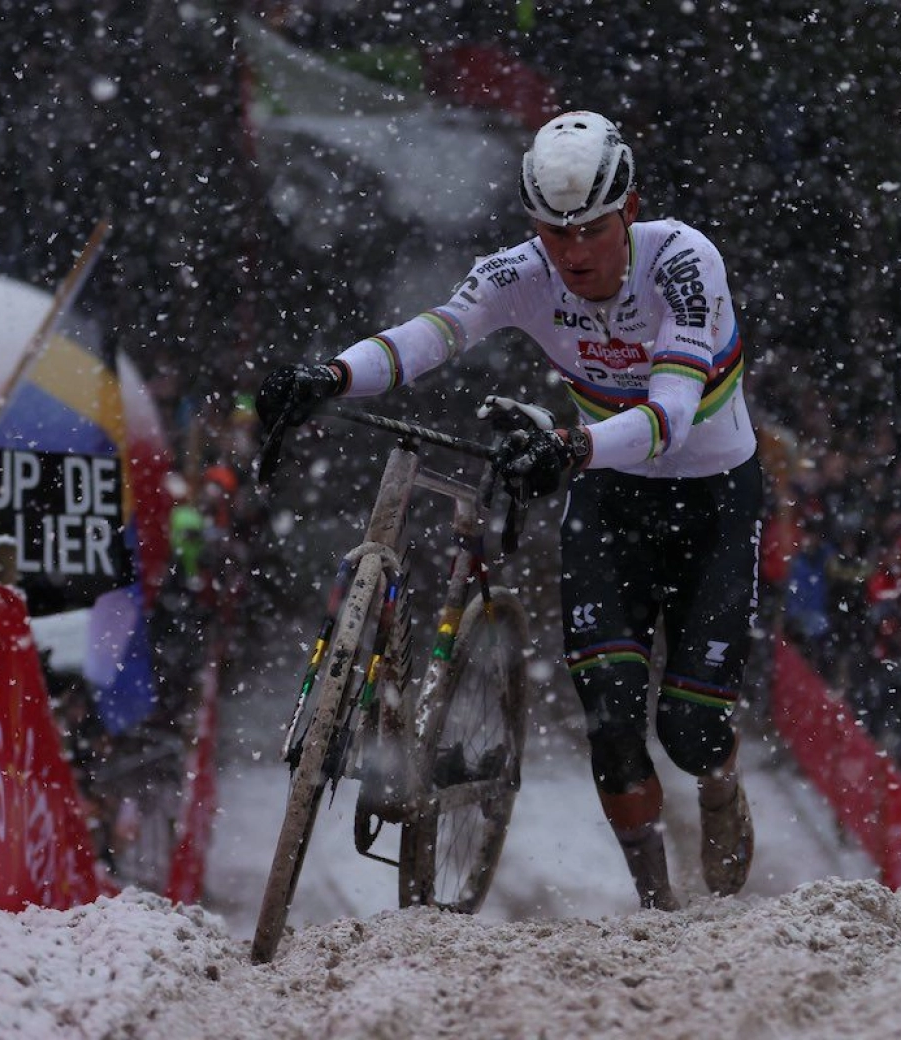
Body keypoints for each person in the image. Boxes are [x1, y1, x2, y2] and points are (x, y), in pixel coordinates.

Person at [256, 111, 762, 910]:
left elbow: (669, 418)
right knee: (611, 720)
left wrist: (569, 445)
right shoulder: (519, 272)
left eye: (591, 230)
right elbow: (434, 333)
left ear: (628, 211)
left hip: (713, 498)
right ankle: (662, 911)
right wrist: (331, 376)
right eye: (553, 233)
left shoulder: (684, 262)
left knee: (691, 730)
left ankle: (721, 780)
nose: (573, 254)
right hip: (609, 493)